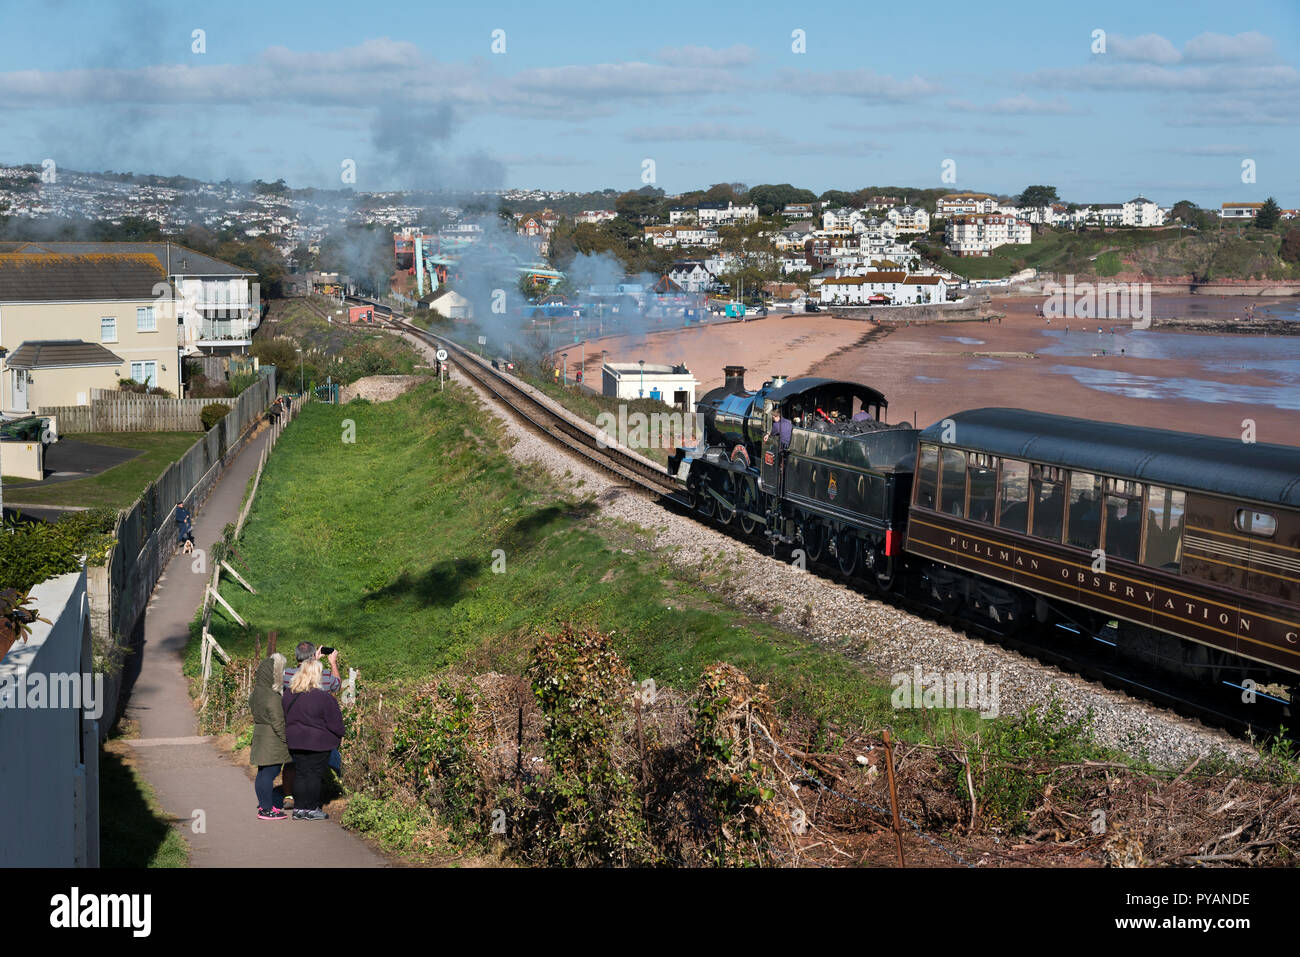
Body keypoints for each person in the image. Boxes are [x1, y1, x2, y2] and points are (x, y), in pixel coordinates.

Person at [281, 642, 343, 804]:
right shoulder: (326, 675)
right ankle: (309, 803)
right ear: (314, 656)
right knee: (312, 770)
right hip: (317, 731)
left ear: (296, 656)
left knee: (291, 763)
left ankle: (289, 795)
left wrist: (311, 659)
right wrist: (332, 662)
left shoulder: (286, 674)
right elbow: (337, 685)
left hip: (293, 728)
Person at [249, 653, 291, 820]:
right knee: (271, 773)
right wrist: (287, 740)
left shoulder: (256, 693)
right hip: (272, 739)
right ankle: (266, 810)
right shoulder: (273, 698)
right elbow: (278, 723)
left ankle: (264, 805)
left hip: (260, 735)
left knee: (262, 773)